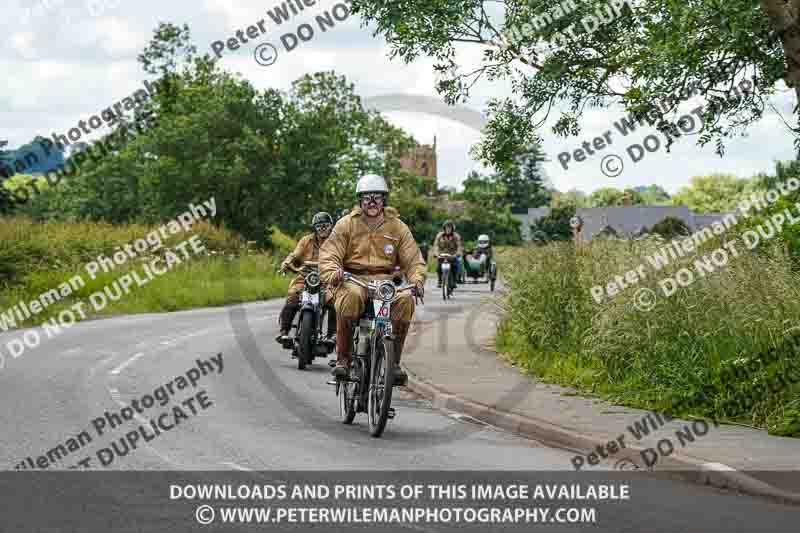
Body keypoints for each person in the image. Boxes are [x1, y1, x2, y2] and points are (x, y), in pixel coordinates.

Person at [319, 173, 426, 385]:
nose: (372, 202)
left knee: (405, 300)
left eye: (377, 197)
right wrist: (333, 272)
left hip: (385, 283)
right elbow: (329, 254)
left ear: (384, 200)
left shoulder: (397, 226)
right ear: (360, 201)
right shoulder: (346, 224)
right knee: (350, 296)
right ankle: (344, 360)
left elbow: (413, 259)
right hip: (352, 279)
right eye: (367, 198)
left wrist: (418, 280)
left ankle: (393, 363)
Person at [276, 212, 336, 347]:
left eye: (325, 225)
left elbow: (343, 258)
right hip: (305, 278)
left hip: (328, 280)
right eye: (319, 226)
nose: (322, 228)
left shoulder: (337, 241)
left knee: (334, 301)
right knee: (292, 297)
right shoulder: (306, 240)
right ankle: (284, 332)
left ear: (331, 226)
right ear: (314, 227)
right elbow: (295, 254)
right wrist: (286, 263)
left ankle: (332, 335)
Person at [432, 220, 463, 288]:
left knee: (456, 266)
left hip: (452, 255)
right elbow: (436, 245)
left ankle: (454, 281)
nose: (448, 229)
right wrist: (436, 254)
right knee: (438, 267)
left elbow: (459, 246)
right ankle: (440, 281)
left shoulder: (456, 236)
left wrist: (458, 254)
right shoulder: (439, 236)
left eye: (449, 228)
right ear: (444, 228)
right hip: (442, 255)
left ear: (452, 229)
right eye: (446, 228)